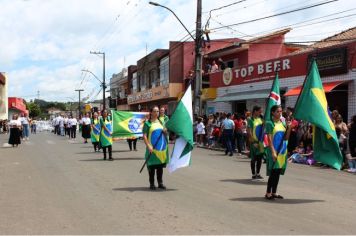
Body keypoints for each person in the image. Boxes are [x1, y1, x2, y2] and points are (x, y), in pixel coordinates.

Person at [265, 105, 294, 200]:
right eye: (277, 111)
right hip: (274, 151)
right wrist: (273, 152)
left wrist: (289, 127)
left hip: (282, 152)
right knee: (273, 172)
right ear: (272, 112)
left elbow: (286, 138)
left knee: (277, 173)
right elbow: (269, 139)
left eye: (280, 111)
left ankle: (274, 192)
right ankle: (268, 193)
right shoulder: (270, 123)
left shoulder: (283, 122)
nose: (280, 113)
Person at [143, 105, 169, 190]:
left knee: (159, 167)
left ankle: (160, 183)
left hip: (160, 149)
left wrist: (165, 132)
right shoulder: (147, 123)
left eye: (157, 111)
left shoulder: (161, 122)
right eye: (154, 111)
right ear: (151, 112)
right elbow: (144, 136)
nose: (156, 113)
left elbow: (165, 134)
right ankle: (152, 183)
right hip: (152, 149)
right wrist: (149, 146)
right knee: (152, 167)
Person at [247, 106, 264, 179]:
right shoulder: (250, 119)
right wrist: (253, 142)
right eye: (259, 111)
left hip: (260, 142)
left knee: (260, 159)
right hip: (253, 142)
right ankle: (253, 174)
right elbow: (249, 132)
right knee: (254, 159)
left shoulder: (260, 119)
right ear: (255, 111)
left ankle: (258, 173)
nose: (261, 113)